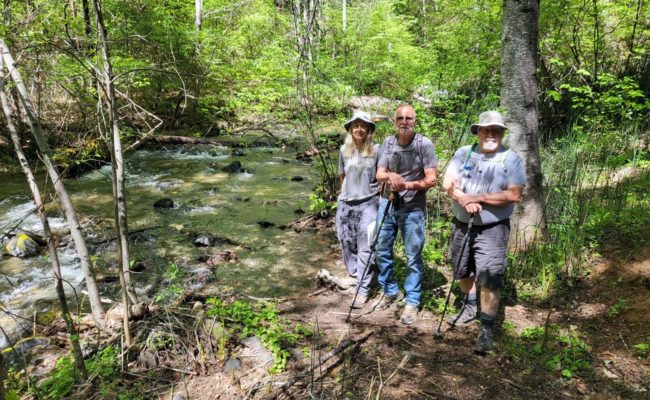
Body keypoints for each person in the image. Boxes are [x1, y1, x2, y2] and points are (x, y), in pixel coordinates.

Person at [442, 110, 526, 354]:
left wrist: (477, 197)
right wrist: (465, 200)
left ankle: (487, 328)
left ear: (501, 134)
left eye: (496, 130)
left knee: (489, 277)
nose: (491, 134)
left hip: (493, 229)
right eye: (486, 130)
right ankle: (468, 306)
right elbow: (448, 183)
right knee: (462, 268)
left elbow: (514, 194)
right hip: (461, 223)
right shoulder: (463, 153)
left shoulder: (511, 159)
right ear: (478, 131)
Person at [375, 104, 437, 325]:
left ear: (414, 121)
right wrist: (391, 176)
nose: (404, 121)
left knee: (413, 257)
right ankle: (390, 290)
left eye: (408, 118)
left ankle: (412, 301)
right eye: (400, 118)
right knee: (381, 248)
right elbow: (379, 173)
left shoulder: (424, 144)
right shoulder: (388, 143)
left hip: (413, 209)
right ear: (394, 121)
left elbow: (431, 179)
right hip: (387, 204)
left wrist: (406, 185)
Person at [335, 111, 380, 308]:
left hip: (369, 203)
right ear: (351, 129)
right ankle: (355, 274)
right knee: (345, 241)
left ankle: (362, 289)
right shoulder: (344, 150)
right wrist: (344, 195)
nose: (359, 129)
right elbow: (342, 175)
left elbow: (382, 177)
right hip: (346, 203)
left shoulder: (377, 151)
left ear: (369, 129)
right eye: (356, 125)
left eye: (363, 126)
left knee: (365, 245)